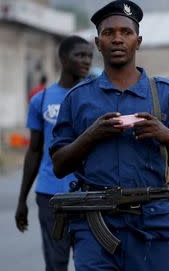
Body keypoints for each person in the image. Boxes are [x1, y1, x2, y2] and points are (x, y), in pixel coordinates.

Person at [49, 0, 169, 271]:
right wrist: (91, 135)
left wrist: (165, 134)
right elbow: (59, 166)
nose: (117, 39)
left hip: (153, 226)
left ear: (138, 41)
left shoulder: (168, 95)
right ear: (97, 43)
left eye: (126, 32)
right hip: (95, 226)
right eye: (109, 33)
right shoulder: (78, 99)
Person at [15, 36, 93, 271]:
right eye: (79, 55)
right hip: (51, 196)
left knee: (90, 263)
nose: (86, 60)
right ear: (62, 58)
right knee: (56, 264)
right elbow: (34, 150)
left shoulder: (96, 96)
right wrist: (22, 201)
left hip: (90, 194)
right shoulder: (42, 100)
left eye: (89, 55)